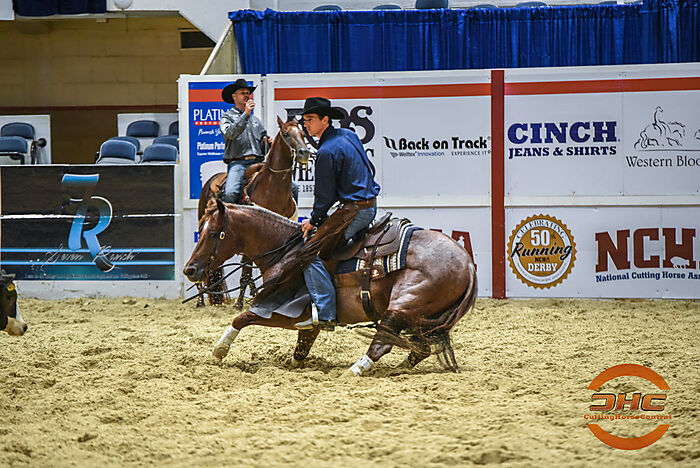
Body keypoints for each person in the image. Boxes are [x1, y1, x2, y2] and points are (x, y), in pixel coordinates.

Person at [295, 97, 381, 330]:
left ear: (325, 120)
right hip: (368, 205)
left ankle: (325, 313)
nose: (306, 124)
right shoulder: (349, 135)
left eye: (310, 119)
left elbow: (324, 196)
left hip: (355, 211)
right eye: (304, 120)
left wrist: (313, 221)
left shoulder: (326, 151)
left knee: (309, 252)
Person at [219, 79, 299, 204]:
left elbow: (263, 144)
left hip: (259, 163)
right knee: (230, 194)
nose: (247, 95)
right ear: (234, 96)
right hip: (238, 164)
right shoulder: (226, 117)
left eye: (248, 93)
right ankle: (227, 216)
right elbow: (230, 133)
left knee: (293, 188)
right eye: (243, 93)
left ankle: (292, 215)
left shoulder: (256, 120)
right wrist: (245, 114)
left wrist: (268, 143)